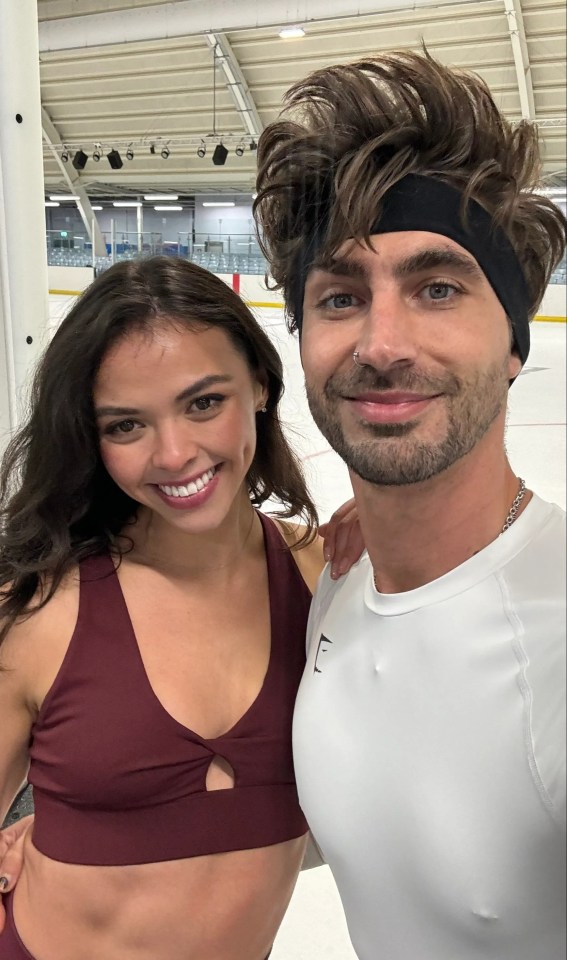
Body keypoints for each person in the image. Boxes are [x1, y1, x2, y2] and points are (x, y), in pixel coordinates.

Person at [253, 49, 567, 960]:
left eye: (436, 288)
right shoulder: (334, 581)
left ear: (512, 341)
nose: (382, 344)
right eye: (341, 296)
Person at [0, 255, 359, 960]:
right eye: (126, 426)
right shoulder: (39, 610)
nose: (174, 453)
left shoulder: (332, 582)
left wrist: (390, 522)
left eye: (203, 403)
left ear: (258, 383)